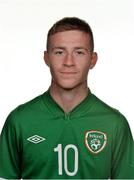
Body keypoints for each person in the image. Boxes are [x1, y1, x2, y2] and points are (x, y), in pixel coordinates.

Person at [0, 17, 134, 179]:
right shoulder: (20, 120)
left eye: (79, 52)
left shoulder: (114, 124)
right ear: (46, 58)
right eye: (59, 52)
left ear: (93, 59)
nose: (68, 62)